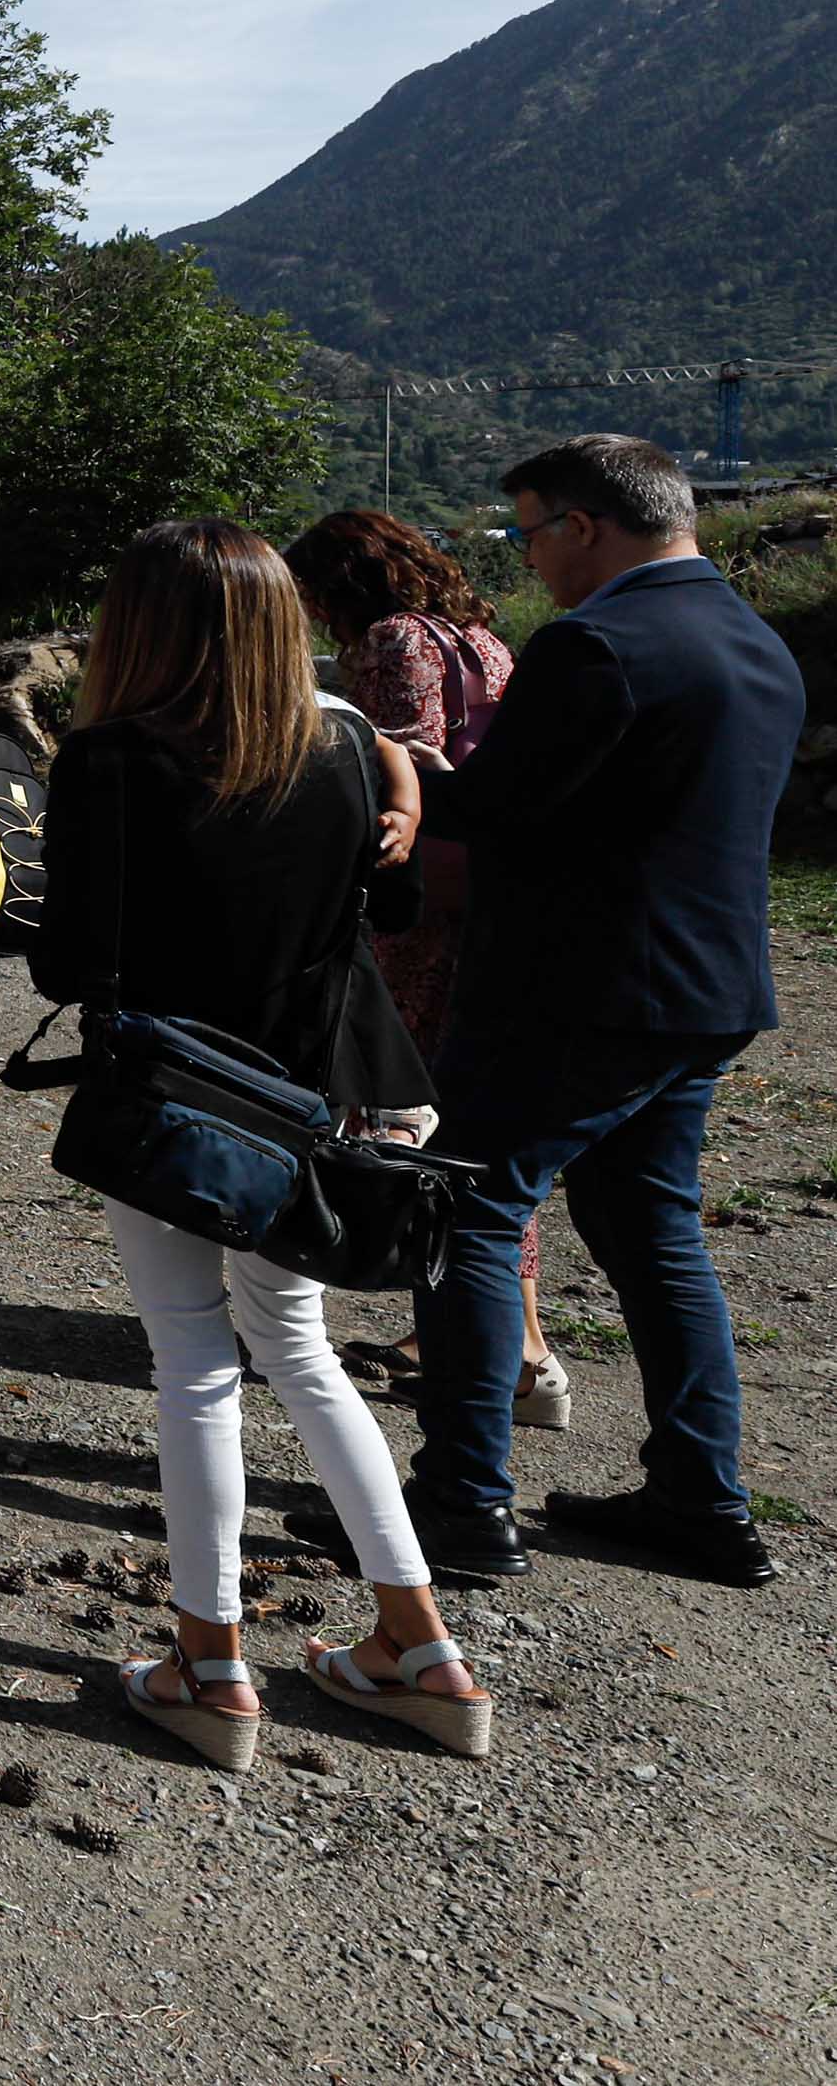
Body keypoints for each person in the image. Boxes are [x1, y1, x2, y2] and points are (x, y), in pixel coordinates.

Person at [31, 520, 491, 1769]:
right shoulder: (342, 739)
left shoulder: (108, 758)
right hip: (328, 1089)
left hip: (188, 1103)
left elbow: (69, 958)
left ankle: (209, 1658)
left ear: (136, 625)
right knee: (300, 1349)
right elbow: (383, 908)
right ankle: (416, 1641)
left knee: (190, 1362)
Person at [322, 435, 802, 1591]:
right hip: (704, 988)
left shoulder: (596, 644)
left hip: (577, 988)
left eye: (528, 531)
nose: (526, 558)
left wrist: (382, 756)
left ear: (583, 524)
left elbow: (492, 805)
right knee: (655, 1232)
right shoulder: (756, 641)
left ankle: (460, 1501)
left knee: (467, 1214)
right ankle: (700, 1496)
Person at [287, 509, 562, 1427]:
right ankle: (485, 1331)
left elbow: (388, 761)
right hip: (491, 893)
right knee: (475, 1119)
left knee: (425, 1117)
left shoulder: (391, 639)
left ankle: (509, 1345)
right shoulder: (480, 636)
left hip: (423, 910)